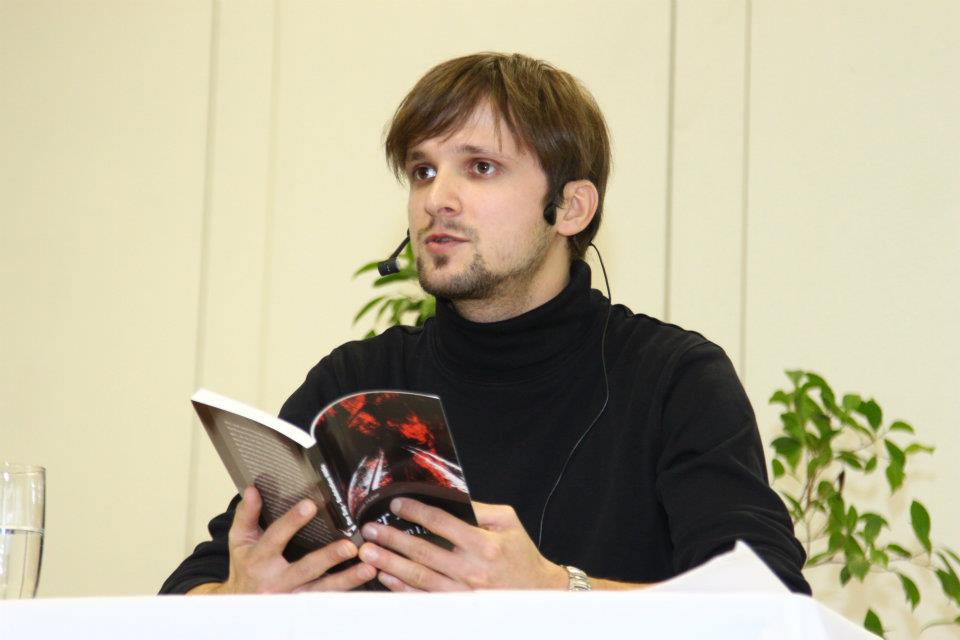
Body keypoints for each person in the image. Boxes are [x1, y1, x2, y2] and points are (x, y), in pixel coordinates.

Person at [161, 52, 810, 595]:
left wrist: (556, 591)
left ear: (571, 207)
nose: (436, 197)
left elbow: (768, 605)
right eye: (423, 170)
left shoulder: (674, 380)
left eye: (480, 167)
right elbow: (188, 588)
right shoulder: (357, 380)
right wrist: (233, 599)